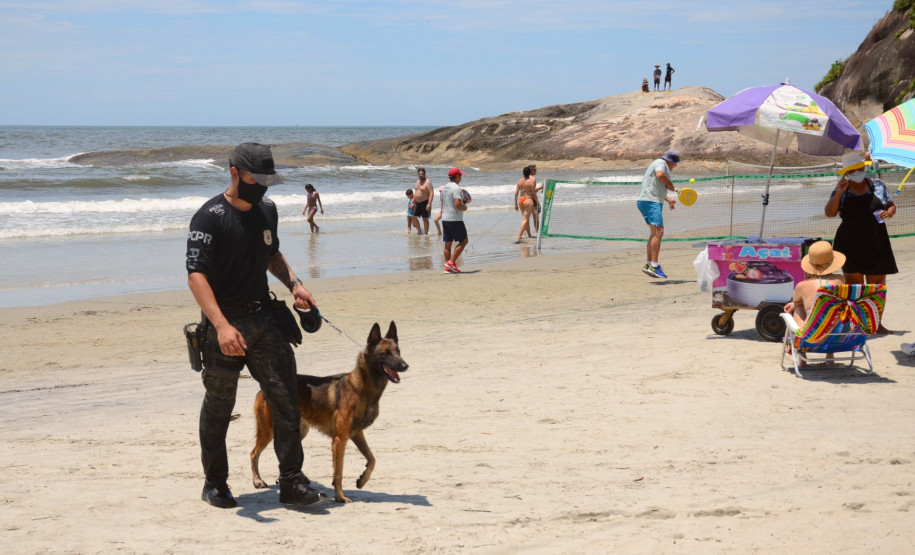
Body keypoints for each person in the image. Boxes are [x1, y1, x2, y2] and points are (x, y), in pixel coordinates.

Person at [186, 142, 324, 509]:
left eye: (267, 179)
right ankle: (215, 483)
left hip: (265, 319)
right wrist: (220, 326)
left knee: (286, 400)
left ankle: (291, 482)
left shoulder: (267, 210)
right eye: (255, 178)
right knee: (219, 404)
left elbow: (272, 254)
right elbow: (196, 276)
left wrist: (295, 285)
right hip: (224, 326)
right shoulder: (209, 217)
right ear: (234, 173)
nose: (262, 186)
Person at [825, 151, 897, 334]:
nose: (857, 172)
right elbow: (829, 213)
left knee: (877, 287)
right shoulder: (842, 189)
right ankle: (857, 324)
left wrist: (889, 212)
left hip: (876, 242)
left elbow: (891, 204)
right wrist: (839, 192)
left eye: (859, 168)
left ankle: (876, 324)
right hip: (849, 243)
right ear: (846, 173)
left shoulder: (877, 185)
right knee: (854, 287)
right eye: (853, 170)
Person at [637, 150, 679, 278]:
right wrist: (670, 184)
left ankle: (649, 264)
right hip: (651, 202)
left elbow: (653, 187)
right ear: (672, 162)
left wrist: (668, 199)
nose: (673, 168)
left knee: (654, 233)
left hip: (645, 201)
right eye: (675, 165)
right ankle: (654, 266)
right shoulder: (662, 163)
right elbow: (660, 175)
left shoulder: (656, 162)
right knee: (659, 232)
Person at [783, 241, 846, 327]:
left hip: (813, 333)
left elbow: (797, 301)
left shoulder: (802, 286)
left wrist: (796, 304)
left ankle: (800, 332)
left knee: (798, 306)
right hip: (838, 331)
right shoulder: (840, 280)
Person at [441, 167, 468, 274]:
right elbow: (457, 204)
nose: (461, 177)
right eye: (460, 175)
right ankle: (451, 262)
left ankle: (448, 267)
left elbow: (444, 202)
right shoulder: (457, 188)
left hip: (445, 218)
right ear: (456, 176)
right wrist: (464, 206)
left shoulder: (445, 188)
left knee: (448, 243)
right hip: (455, 219)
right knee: (464, 241)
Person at [514, 166, 538, 243]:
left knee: (525, 218)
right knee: (525, 219)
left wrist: (515, 204)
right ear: (530, 173)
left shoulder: (519, 181)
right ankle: (519, 237)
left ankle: (529, 235)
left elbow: (516, 193)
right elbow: (534, 193)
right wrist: (537, 202)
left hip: (520, 200)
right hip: (528, 199)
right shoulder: (531, 181)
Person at [412, 167, 434, 235]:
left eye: (422, 174)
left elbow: (431, 193)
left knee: (425, 219)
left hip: (425, 202)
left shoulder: (428, 182)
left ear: (424, 174)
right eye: (419, 174)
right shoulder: (417, 181)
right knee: (413, 217)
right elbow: (416, 192)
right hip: (417, 203)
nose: (421, 175)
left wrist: (429, 203)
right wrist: (413, 202)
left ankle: (426, 233)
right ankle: (419, 230)